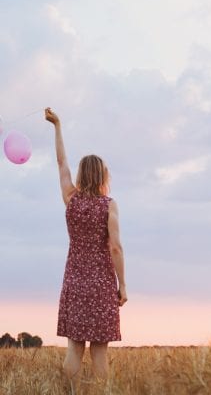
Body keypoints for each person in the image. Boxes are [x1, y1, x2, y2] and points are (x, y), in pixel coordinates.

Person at [45, 107, 128, 394]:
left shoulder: (71, 199)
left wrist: (57, 126)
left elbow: (60, 162)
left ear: (81, 174)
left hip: (74, 283)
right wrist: (123, 285)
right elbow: (115, 247)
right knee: (99, 353)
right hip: (102, 285)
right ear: (104, 175)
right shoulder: (109, 205)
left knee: (74, 349)